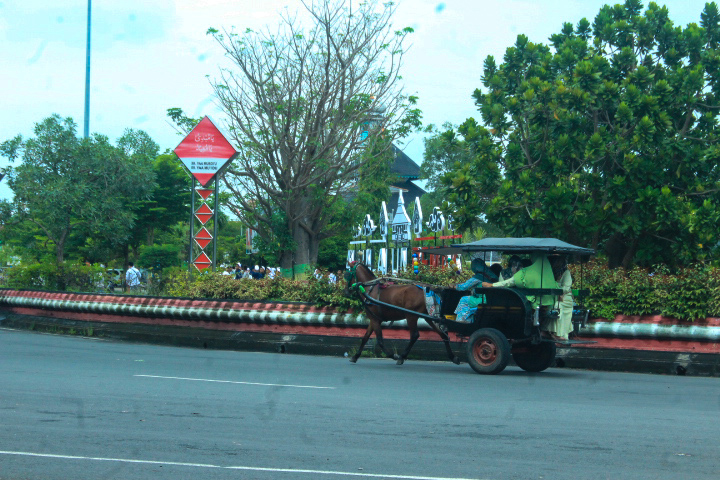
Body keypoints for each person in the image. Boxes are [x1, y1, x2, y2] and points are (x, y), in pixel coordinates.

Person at [453, 258, 499, 322]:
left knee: (464, 299)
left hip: (484, 300)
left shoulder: (478, 277)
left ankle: (460, 322)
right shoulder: (492, 275)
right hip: (492, 299)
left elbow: (463, 287)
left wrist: (454, 286)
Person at [545, 255, 574, 340]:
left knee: (558, 306)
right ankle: (548, 331)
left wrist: (556, 286)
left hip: (565, 298)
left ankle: (559, 333)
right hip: (554, 297)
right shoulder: (553, 272)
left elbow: (566, 288)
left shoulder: (566, 273)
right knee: (550, 306)